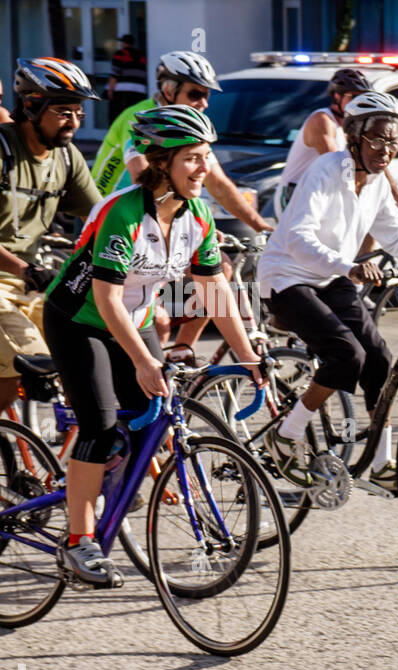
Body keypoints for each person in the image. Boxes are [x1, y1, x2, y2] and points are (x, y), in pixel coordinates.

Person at [41, 105, 263, 586]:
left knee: (151, 419)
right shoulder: (122, 213)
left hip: (133, 318)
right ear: (161, 162)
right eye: (193, 159)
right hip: (79, 321)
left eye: (206, 157)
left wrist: (248, 357)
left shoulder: (197, 214)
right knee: (100, 425)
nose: (204, 168)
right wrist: (144, 361)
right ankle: (79, 543)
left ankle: (104, 476)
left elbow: (213, 289)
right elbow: (105, 297)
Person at [257, 91, 398, 493]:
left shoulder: (374, 183)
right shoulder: (324, 169)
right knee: (346, 355)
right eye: (377, 139)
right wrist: (349, 266)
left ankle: (381, 464)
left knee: (379, 359)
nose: (386, 149)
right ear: (353, 136)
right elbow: (299, 237)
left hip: (333, 274)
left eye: (394, 141)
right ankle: (286, 436)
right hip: (287, 275)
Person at [0, 58, 103, 415]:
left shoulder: (67, 157)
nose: (74, 123)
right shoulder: (2, 150)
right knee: (35, 359)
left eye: (79, 113)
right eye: (63, 112)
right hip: (10, 280)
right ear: (31, 106)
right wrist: (26, 270)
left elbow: (100, 218)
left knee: (85, 354)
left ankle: (85, 452)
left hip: (31, 281)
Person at [90, 51, 271, 234]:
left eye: (206, 95)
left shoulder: (186, 126)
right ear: (169, 91)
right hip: (109, 215)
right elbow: (144, 179)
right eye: (195, 94)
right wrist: (194, 224)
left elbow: (219, 185)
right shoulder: (140, 119)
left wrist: (260, 226)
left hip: (147, 212)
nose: (204, 103)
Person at [274, 68, 398, 218]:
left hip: (324, 192)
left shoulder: (352, 126)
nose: (359, 102)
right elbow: (339, 165)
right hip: (296, 193)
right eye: (353, 97)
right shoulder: (322, 121)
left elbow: (372, 161)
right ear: (337, 96)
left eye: (365, 97)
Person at [106, 35, 147, 123]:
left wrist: (110, 90)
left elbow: (114, 74)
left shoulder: (120, 54)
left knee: (118, 117)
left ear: (124, 43)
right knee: (134, 116)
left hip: (122, 91)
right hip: (139, 90)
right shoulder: (141, 55)